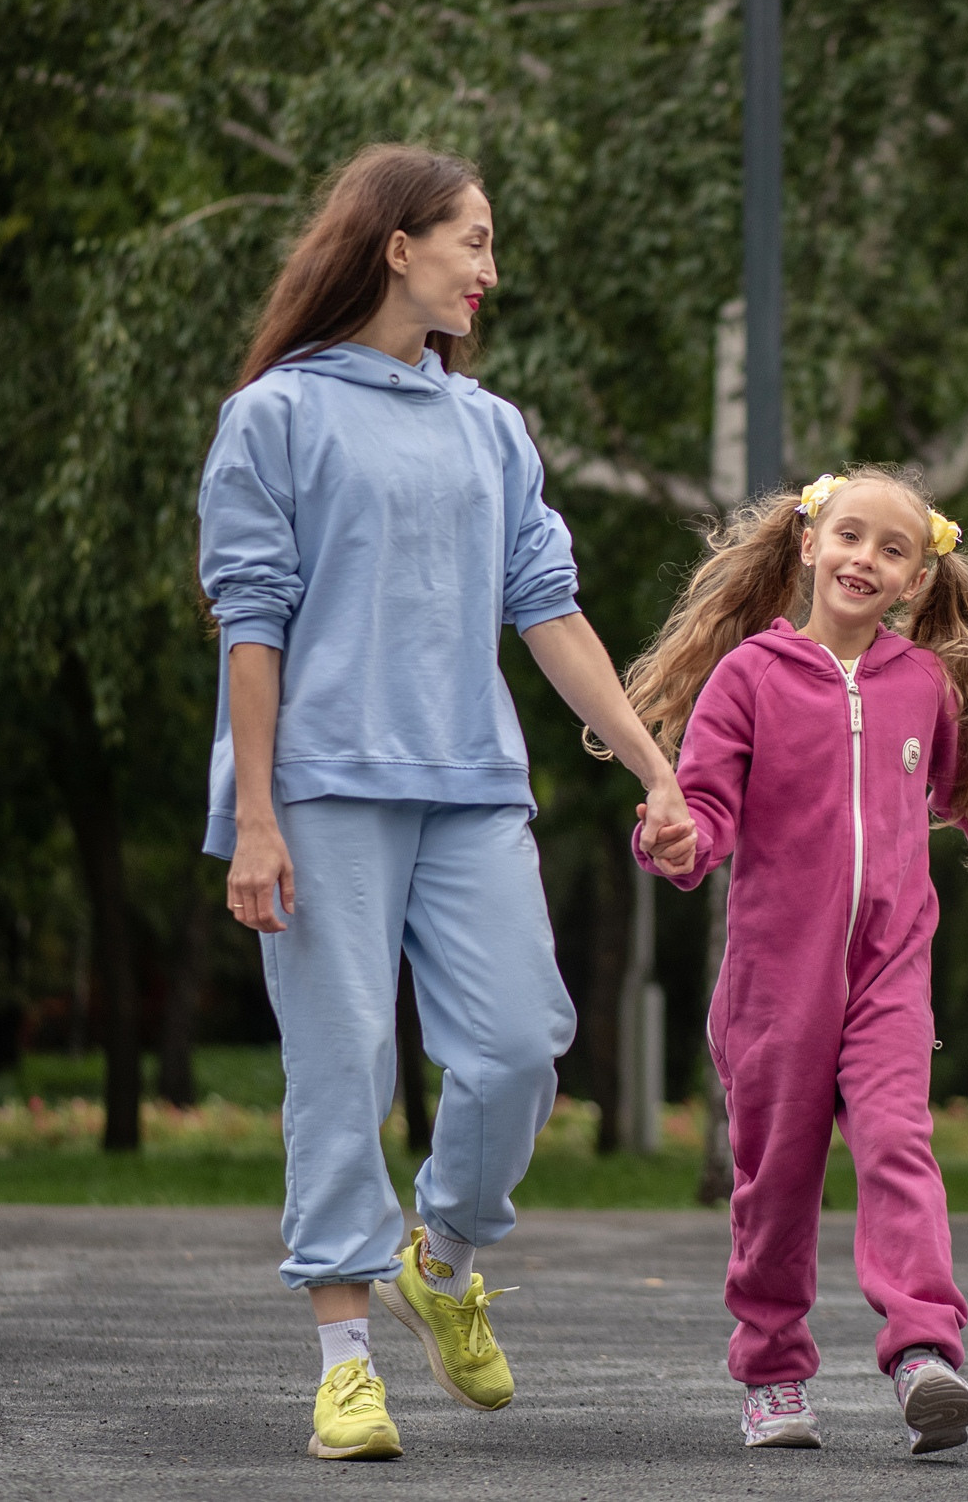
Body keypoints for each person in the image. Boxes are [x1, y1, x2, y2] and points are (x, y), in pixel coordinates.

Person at [199, 144, 695, 1463]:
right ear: (393, 245)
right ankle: (344, 1359)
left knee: (526, 1039)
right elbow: (250, 625)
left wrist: (655, 765)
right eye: (472, 240)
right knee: (344, 1065)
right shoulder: (278, 415)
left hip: (472, 782)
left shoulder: (492, 426)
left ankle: (446, 1253)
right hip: (317, 788)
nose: (490, 268)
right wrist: (254, 814)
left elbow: (552, 612)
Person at [626, 466, 968, 1456]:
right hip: (775, 988)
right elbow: (703, 814)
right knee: (775, 1185)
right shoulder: (750, 677)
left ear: (914, 580)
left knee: (899, 1144)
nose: (866, 558)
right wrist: (673, 839)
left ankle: (923, 1353)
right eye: (849, 537)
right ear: (809, 544)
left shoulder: (922, 684)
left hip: (889, 974)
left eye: (892, 549)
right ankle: (773, 1373)